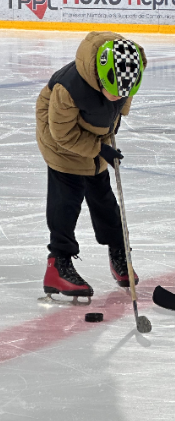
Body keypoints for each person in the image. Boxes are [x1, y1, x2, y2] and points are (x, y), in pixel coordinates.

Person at [36, 31, 146, 303]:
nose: (118, 97)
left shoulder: (129, 69)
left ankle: (119, 253)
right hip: (60, 137)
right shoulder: (68, 88)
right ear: (100, 76)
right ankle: (57, 265)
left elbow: (117, 109)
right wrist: (99, 149)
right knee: (67, 199)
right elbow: (63, 134)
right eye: (114, 91)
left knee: (104, 199)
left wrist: (105, 140)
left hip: (96, 135)